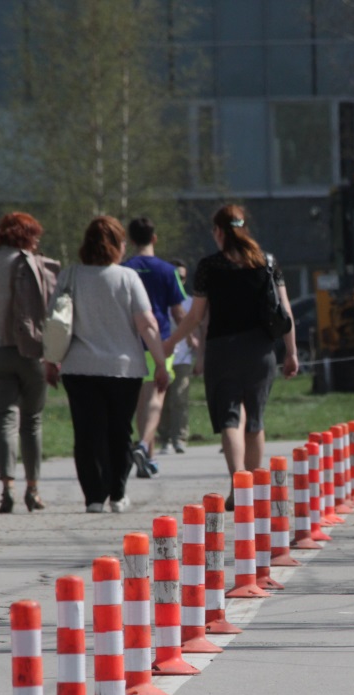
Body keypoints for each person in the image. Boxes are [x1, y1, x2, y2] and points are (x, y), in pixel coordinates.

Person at [164, 204, 298, 508]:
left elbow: (196, 316)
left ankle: (239, 483)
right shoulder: (267, 262)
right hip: (260, 350)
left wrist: (171, 342)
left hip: (222, 350)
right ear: (244, 227)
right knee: (255, 420)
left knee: (230, 418)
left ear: (218, 232)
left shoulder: (209, 266)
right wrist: (291, 352)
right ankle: (253, 489)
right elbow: (285, 311)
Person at [48, 216, 168, 512]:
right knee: (119, 432)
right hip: (123, 369)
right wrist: (160, 363)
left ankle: (93, 497)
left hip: (79, 368)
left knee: (87, 434)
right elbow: (147, 324)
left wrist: (49, 360)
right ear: (117, 244)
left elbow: (54, 322)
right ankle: (117, 494)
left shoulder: (70, 276)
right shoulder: (127, 278)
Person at [0, 211, 58, 514]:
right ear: (27, 236)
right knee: (32, 421)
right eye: (35, 236)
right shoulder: (37, 265)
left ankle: (7, 486)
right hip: (31, 351)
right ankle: (32, 489)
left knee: (5, 418)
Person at [122, 217, 185, 477]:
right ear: (154, 238)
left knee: (141, 400)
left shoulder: (125, 269)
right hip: (159, 341)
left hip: (131, 341)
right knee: (156, 398)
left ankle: (148, 456)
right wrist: (188, 337)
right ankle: (144, 446)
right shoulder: (168, 270)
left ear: (131, 240)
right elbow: (178, 312)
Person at [157, 259, 198, 455]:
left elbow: (197, 325)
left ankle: (179, 438)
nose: (178, 281)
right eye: (175, 277)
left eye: (181, 278)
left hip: (182, 357)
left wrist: (195, 344)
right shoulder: (159, 300)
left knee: (179, 398)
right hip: (162, 356)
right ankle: (164, 438)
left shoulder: (189, 302)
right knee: (162, 400)